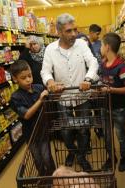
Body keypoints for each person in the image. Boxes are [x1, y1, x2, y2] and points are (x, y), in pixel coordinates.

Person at [41, 13, 99, 172]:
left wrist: (88, 79)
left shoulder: (81, 44)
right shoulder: (50, 49)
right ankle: (72, 152)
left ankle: (81, 157)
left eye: (75, 29)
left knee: (83, 128)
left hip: (82, 96)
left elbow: (93, 62)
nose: (74, 34)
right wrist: (50, 82)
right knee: (66, 130)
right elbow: (45, 71)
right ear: (59, 32)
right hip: (63, 97)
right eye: (68, 31)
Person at [10, 60, 55, 176]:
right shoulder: (15, 97)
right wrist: (40, 100)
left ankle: (53, 176)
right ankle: (43, 177)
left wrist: (54, 88)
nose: (28, 80)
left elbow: (50, 97)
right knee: (37, 159)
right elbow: (26, 115)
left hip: (43, 130)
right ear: (15, 79)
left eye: (29, 76)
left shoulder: (39, 88)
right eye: (23, 78)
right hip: (30, 134)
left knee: (47, 157)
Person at [99, 33, 125, 172]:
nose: (100, 48)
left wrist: (111, 90)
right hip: (104, 106)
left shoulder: (122, 67)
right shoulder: (102, 64)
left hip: (118, 108)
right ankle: (111, 157)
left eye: (102, 45)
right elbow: (102, 81)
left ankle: (124, 157)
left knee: (120, 135)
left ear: (107, 47)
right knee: (107, 135)